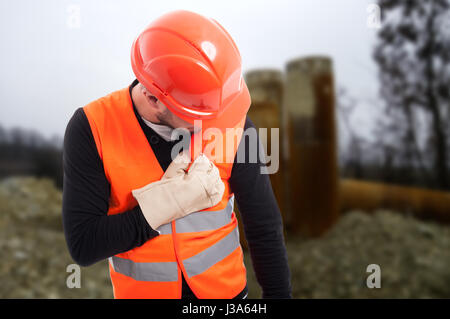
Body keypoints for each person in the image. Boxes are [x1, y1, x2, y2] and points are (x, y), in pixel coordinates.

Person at [62, 10, 291, 299]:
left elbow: (263, 226)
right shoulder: (92, 127)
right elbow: (84, 244)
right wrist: (167, 203)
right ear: (154, 98)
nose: (216, 123)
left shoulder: (230, 117)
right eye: (200, 115)